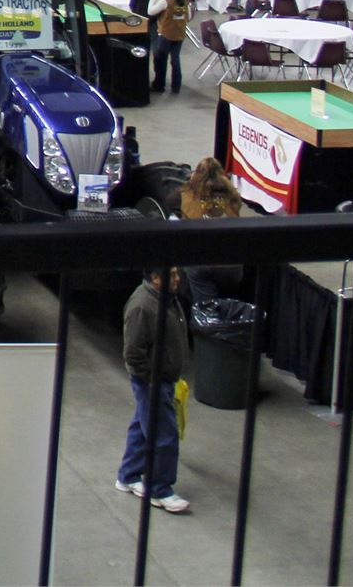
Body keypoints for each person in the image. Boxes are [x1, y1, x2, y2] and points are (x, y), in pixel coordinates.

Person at [116, 267, 191, 514]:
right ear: (155, 278)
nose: (178, 278)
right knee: (164, 436)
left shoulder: (167, 299)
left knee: (141, 426)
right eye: (171, 274)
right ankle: (160, 490)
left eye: (178, 273)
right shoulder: (142, 307)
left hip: (164, 379)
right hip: (152, 382)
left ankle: (128, 475)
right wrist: (152, 381)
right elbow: (133, 353)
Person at [178, 157, 244, 302]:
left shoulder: (186, 195)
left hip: (204, 263)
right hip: (233, 266)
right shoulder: (233, 196)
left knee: (206, 309)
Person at [148, 0, 191, 94]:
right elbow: (189, 17)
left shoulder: (165, 1)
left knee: (160, 60)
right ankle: (176, 86)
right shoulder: (183, 0)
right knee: (175, 60)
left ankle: (159, 84)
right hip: (179, 34)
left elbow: (150, 11)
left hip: (165, 34)